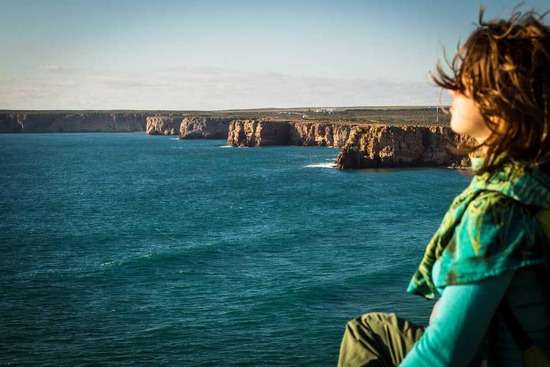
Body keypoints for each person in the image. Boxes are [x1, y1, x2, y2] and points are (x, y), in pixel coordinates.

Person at [337, 8, 550, 367]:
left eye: (463, 82)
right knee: (368, 329)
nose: (449, 90)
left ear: (500, 102)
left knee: (364, 336)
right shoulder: (536, 184)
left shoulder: (495, 212)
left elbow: (444, 354)